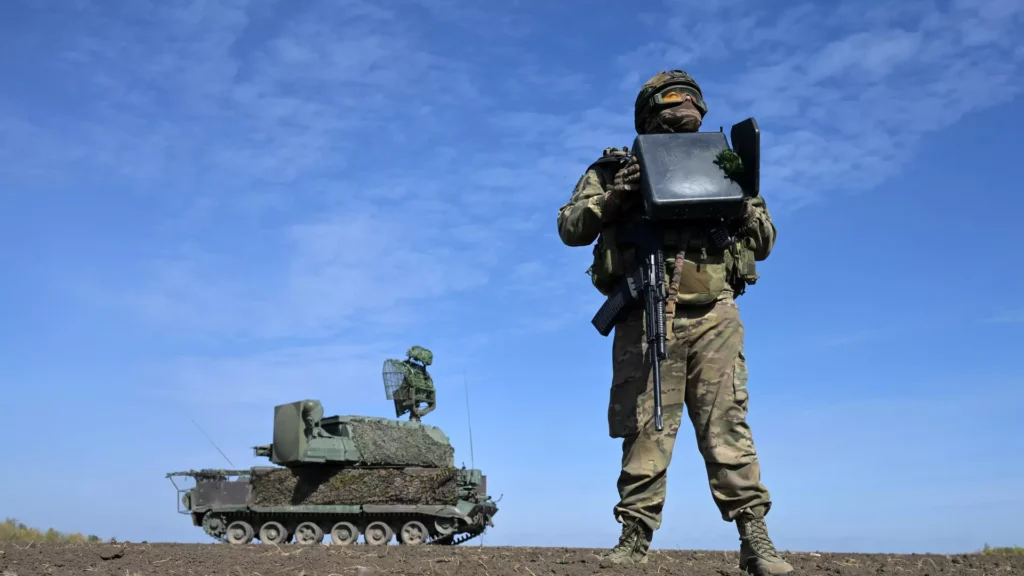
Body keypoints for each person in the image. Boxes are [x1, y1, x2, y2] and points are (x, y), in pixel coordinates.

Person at [556, 70, 793, 576]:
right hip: (644, 311)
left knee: (726, 426)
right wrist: (614, 198)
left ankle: (755, 536)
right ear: (648, 116)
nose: (683, 112)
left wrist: (743, 205)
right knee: (645, 428)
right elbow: (570, 227)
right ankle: (634, 538)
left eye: (688, 104)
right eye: (670, 105)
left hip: (714, 316)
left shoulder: (726, 164)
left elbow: (766, 241)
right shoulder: (614, 169)